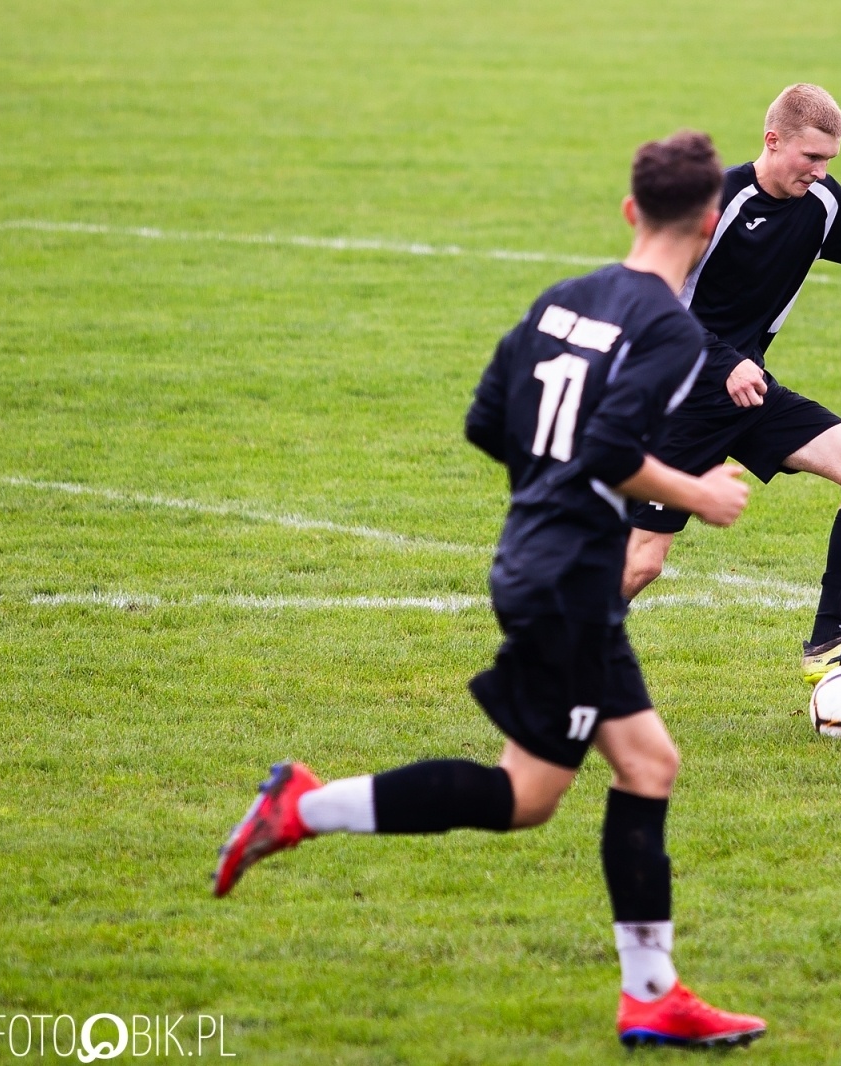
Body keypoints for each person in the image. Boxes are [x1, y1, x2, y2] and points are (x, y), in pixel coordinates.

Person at [212, 131, 767, 1050]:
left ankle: (652, 995)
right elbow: (607, 452)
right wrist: (699, 492)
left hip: (539, 561)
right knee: (526, 798)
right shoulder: (670, 328)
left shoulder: (564, 298)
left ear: (630, 211)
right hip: (569, 585)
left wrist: (550, 494)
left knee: (648, 765)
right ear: (710, 224)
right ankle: (300, 806)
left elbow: (484, 420)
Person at [621, 83, 841, 684]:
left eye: (829, 159)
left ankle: (830, 642)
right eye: (811, 158)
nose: (820, 171)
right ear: (773, 141)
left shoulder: (821, 202)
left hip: (747, 392)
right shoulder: (716, 202)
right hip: (679, 395)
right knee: (642, 562)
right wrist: (724, 360)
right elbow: (655, 300)